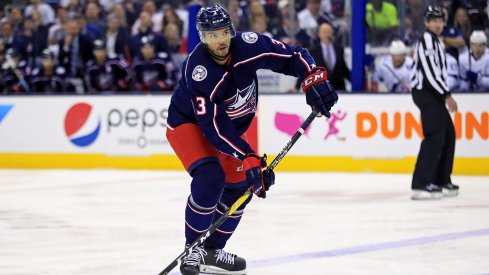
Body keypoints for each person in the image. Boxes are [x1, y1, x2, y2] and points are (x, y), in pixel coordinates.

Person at [165, 5, 338, 275]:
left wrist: (313, 77)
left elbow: (292, 55)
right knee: (210, 178)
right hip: (189, 126)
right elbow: (213, 127)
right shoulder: (198, 71)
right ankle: (193, 248)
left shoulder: (249, 45)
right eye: (212, 36)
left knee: (243, 186)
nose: (220, 41)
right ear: (202, 38)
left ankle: (211, 252)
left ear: (231, 31)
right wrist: (247, 156)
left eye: (223, 33)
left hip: (229, 131)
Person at [409, 5, 459, 200]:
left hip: (433, 93)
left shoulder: (437, 42)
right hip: (426, 92)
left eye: (440, 20)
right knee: (434, 136)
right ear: (427, 23)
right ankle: (420, 184)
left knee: (448, 134)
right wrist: (447, 95)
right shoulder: (427, 41)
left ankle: (440, 180)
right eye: (434, 21)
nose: (438, 24)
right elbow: (430, 74)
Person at [308, 22, 350, 91]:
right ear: (319, 34)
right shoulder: (313, 51)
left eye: (329, 32)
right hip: (321, 91)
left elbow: (343, 69)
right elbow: (307, 70)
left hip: (339, 89)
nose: (327, 34)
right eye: (324, 32)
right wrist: (297, 87)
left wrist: (356, 81)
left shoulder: (339, 49)